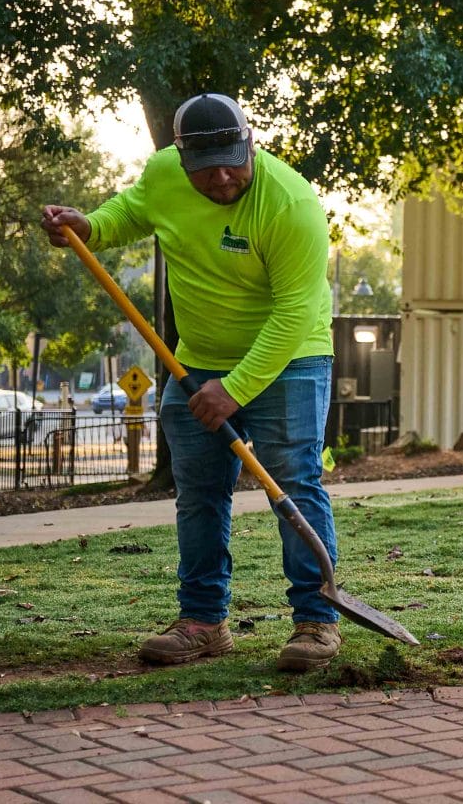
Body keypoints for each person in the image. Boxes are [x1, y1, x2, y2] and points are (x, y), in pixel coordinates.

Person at [41, 94, 341, 672]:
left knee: (295, 484)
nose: (223, 177)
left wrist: (235, 388)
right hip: (195, 363)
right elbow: (131, 213)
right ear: (180, 160)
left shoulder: (291, 204)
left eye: (234, 160)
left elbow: (295, 313)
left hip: (289, 361)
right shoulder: (162, 175)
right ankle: (204, 621)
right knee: (199, 495)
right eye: (207, 168)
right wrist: (90, 227)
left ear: (251, 143)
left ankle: (317, 620)